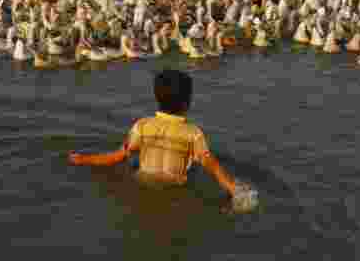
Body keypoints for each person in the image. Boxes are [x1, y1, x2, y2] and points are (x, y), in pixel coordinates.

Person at [68, 69, 239, 200]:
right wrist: (236, 192)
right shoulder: (194, 134)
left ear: (156, 97)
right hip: (175, 188)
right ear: (187, 102)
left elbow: (115, 157)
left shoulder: (142, 126)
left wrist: (82, 159)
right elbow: (214, 167)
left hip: (143, 182)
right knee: (193, 168)